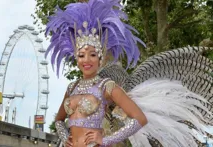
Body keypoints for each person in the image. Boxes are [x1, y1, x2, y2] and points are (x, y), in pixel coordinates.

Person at [45, 0, 213, 147]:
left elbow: (139, 118)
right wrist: (65, 136)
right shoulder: (72, 87)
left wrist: (106, 140)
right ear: (76, 58)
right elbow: (59, 120)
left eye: (92, 55)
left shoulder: (106, 86)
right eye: (81, 55)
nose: (86, 60)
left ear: (100, 57)